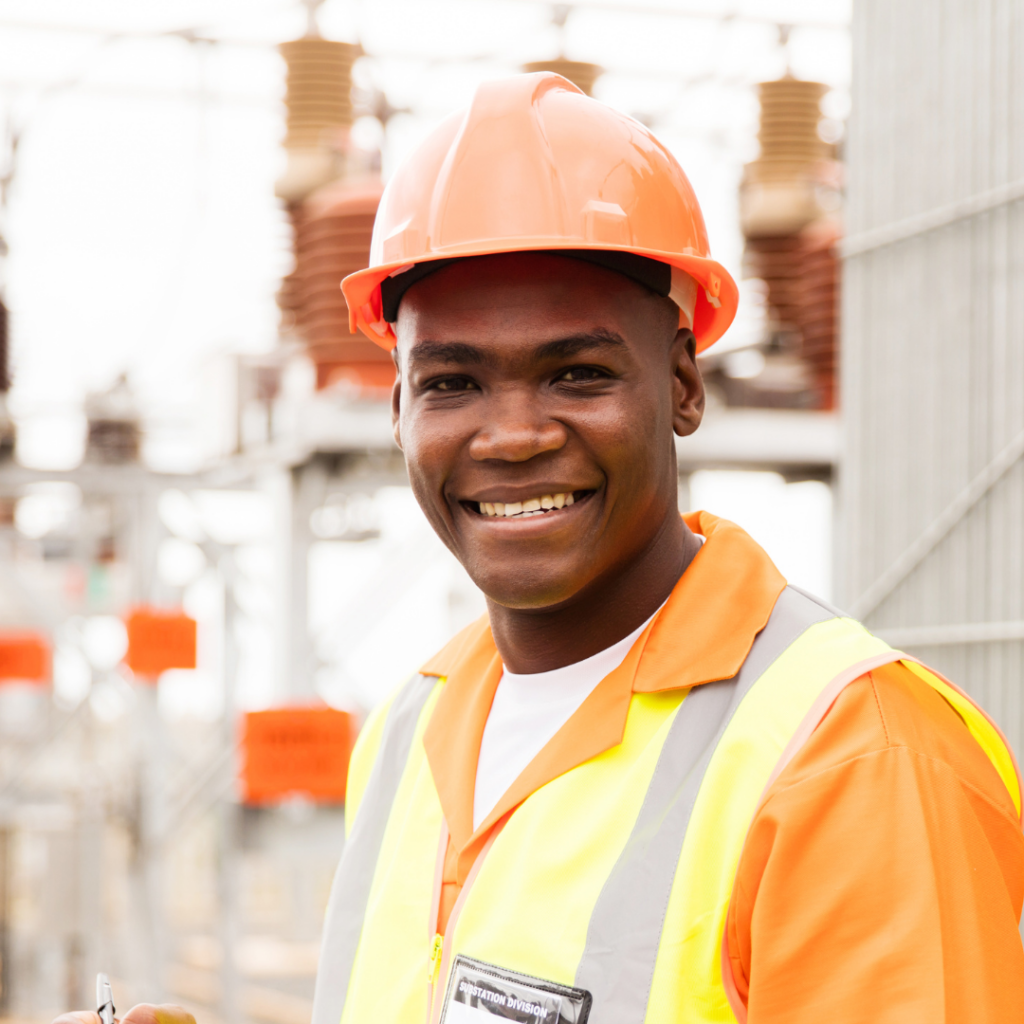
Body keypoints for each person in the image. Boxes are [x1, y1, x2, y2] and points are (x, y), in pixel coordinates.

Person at [56, 73, 1023, 1024]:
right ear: (397, 412)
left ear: (684, 384)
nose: (512, 436)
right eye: (452, 384)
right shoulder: (412, 731)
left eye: (578, 373)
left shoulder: (855, 758)